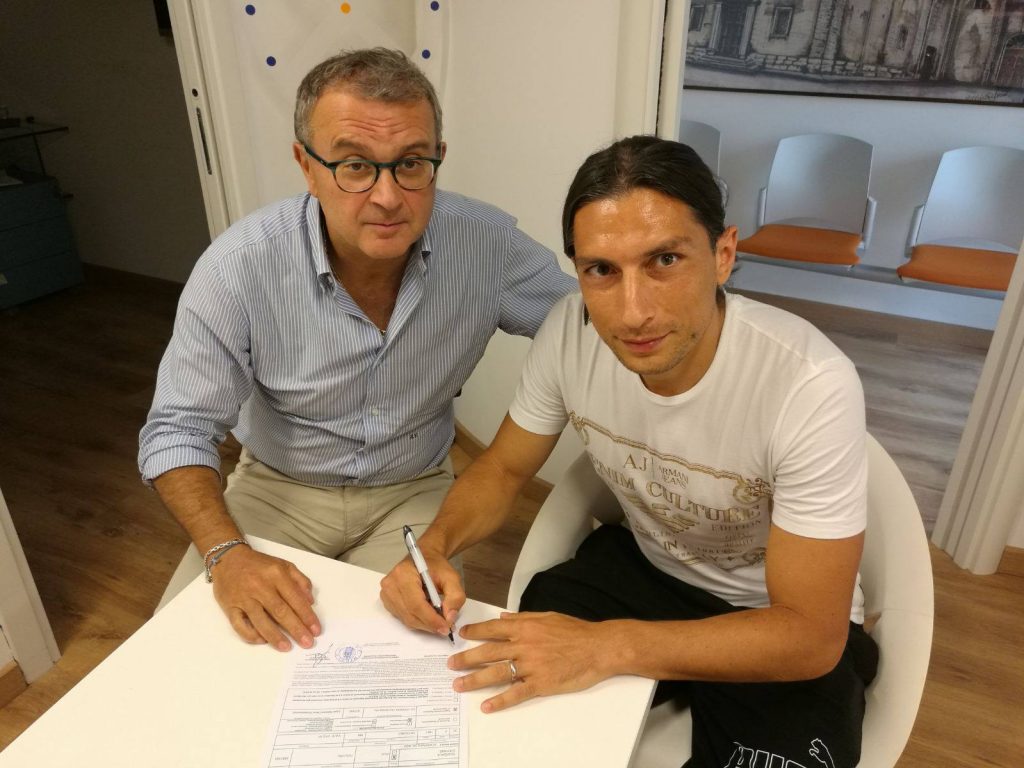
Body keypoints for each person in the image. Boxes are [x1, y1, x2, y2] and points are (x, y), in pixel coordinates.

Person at [380, 136, 879, 768]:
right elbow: (504, 467)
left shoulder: (808, 383)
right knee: (506, 727)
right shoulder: (569, 332)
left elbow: (810, 634)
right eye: (601, 271)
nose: (633, 312)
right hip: (644, 574)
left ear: (724, 254)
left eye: (665, 260)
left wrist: (608, 647)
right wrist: (433, 547)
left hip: (769, 617)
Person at [138, 48, 575, 654]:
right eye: (354, 165)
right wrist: (226, 553)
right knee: (185, 654)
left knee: (410, 664)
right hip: (278, 486)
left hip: (414, 488)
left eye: (411, 163)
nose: (387, 196)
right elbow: (177, 430)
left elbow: (590, 328)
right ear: (307, 165)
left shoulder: (487, 246)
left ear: (438, 158)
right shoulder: (240, 265)